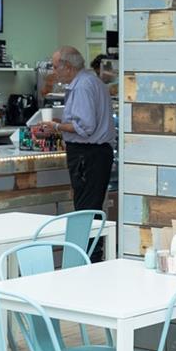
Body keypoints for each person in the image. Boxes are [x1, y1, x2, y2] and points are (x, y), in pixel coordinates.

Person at [38, 46, 113, 259]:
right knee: (92, 208)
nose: (54, 72)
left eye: (55, 67)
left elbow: (85, 128)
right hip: (98, 153)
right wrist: (61, 123)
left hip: (86, 155)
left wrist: (56, 126)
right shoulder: (93, 82)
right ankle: (92, 255)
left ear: (68, 66)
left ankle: (86, 258)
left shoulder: (81, 87)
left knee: (85, 211)